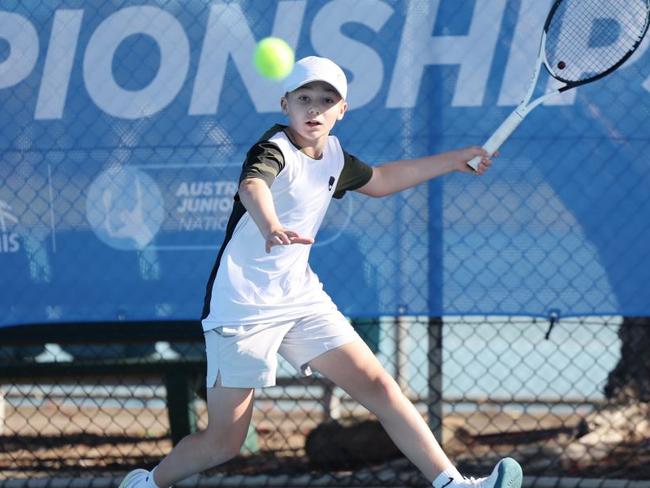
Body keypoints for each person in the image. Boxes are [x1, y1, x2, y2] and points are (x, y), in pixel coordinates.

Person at [119, 56, 521, 488]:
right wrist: (270, 225)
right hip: (243, 306)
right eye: (304, 98)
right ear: (285, 104)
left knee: (379, 386)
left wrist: (455, 160)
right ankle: (146, 484)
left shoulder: (333, 156)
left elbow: (381, 180)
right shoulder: (272, 150)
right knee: (224, 442)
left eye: (326, 100)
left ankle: (453, 484)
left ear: (341, 110)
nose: (314, 109)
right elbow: (252, 185)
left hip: (299, 297)